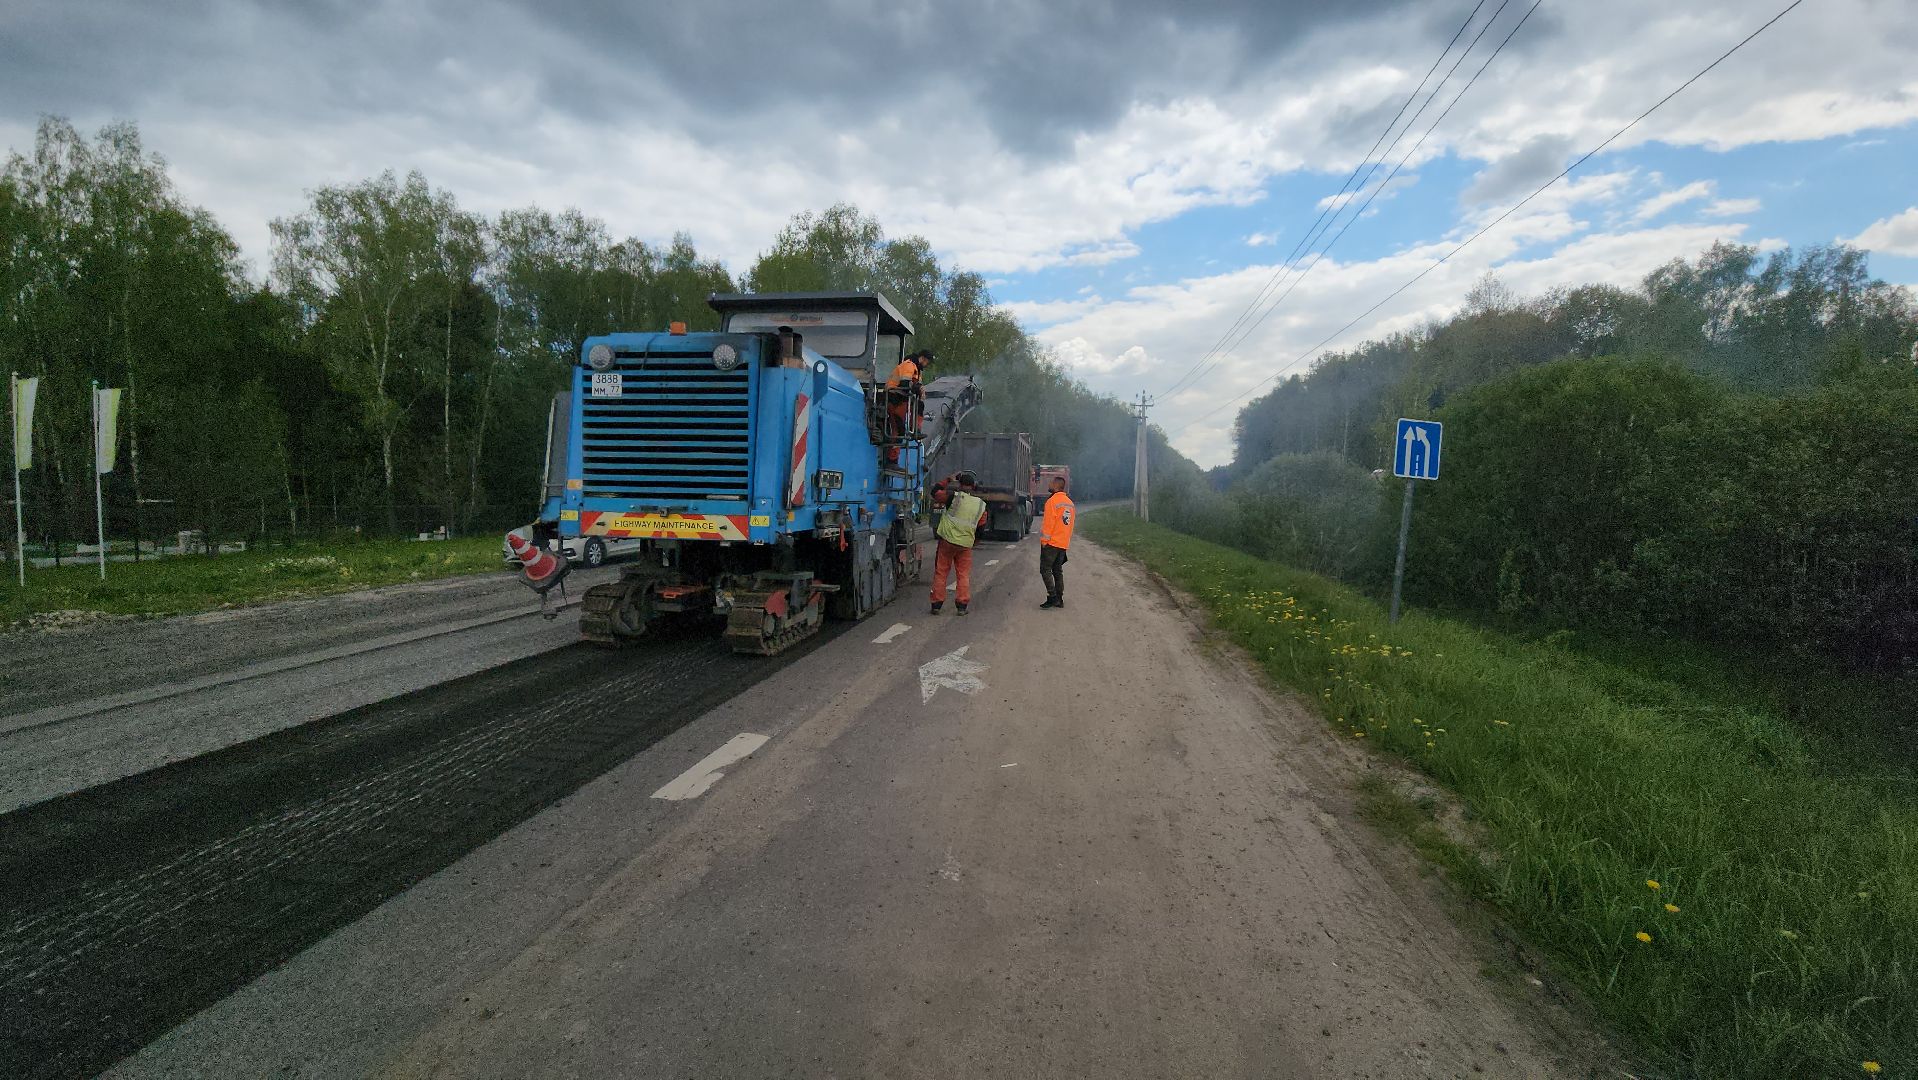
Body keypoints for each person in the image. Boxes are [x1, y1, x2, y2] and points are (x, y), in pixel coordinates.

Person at [930, 471, 987, 616]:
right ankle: (962, 606)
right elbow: (981, 528)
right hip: (965, 545)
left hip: (947, 542)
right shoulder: (980, 505)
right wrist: (974, 542)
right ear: (973, 486)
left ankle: (936, 604)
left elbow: (935, 492)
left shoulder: (952, 497)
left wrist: (948, 479)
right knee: (963, 574)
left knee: (941, 572)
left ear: (960, 485)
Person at [1038, 473, 1074, 609]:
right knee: (1057, 570)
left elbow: (1049, 524)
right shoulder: (1070, 503)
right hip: (1063, 543)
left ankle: (1052, 597)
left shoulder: (1052, 502)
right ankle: (1059, 598)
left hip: (1051, 543)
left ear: (1056, 486)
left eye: (1051, 483)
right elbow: (1070, 525)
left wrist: (1044, 541)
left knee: (1045, 569)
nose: (1049, 484)